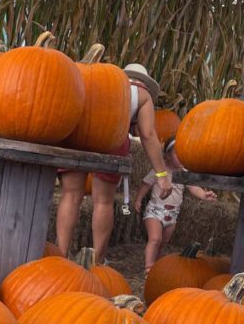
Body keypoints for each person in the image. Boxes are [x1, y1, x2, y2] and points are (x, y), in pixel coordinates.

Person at [55, 63, 174, 263]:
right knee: (103, 201)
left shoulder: (97, 81)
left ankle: (60, 255)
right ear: (144, 82)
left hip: (77, 136)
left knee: (71, 195)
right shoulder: (142, 94)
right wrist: (161, 175)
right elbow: (148, 135)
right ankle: (97, 260)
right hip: (111, 138)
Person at [135, 140, 217, 271]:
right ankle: (149, 267)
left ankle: (157, 265)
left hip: (172, 214)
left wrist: (204, 195)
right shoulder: (159, 170)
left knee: (162, 243)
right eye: (178, 154)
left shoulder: (184, 173)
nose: (182, 158)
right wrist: (138, 199)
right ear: (167, 155)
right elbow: (146, 184)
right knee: (155, 239)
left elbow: (194, 188)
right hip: (155, 211)